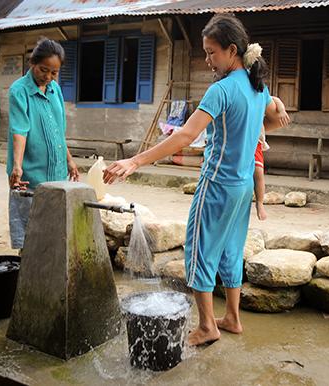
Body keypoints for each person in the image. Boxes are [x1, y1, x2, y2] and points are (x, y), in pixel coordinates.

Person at [104, 14, 287, 346]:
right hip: (243, 187)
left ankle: (207, 326)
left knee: (199, 253)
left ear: (232, 50)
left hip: (216, 186)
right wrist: (263, 118)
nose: (207, 60)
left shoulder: (221, 90)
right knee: (231, 251)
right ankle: (232, 317)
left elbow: (186, 135)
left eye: (211, 52)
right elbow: (271, 122)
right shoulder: (256, 86)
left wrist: (136, 159)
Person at [6, 37, 80, 250]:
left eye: (54, 72)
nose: (48, 77)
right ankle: (29, 278)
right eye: (43, 70)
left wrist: (70, 161)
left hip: (56, 174)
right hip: (31, 175)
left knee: (55, 234)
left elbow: (57, 130)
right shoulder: (19, 91)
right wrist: (17, 166)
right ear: (32, 64)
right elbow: (20, 130)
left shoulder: (55, 89)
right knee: (31, 236)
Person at [253, 96, 289, 221]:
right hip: (240, 139)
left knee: (258, 172)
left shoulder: (260, 95)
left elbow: (276, 100)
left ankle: (260, 203)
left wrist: (282, 110)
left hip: (255, 140)